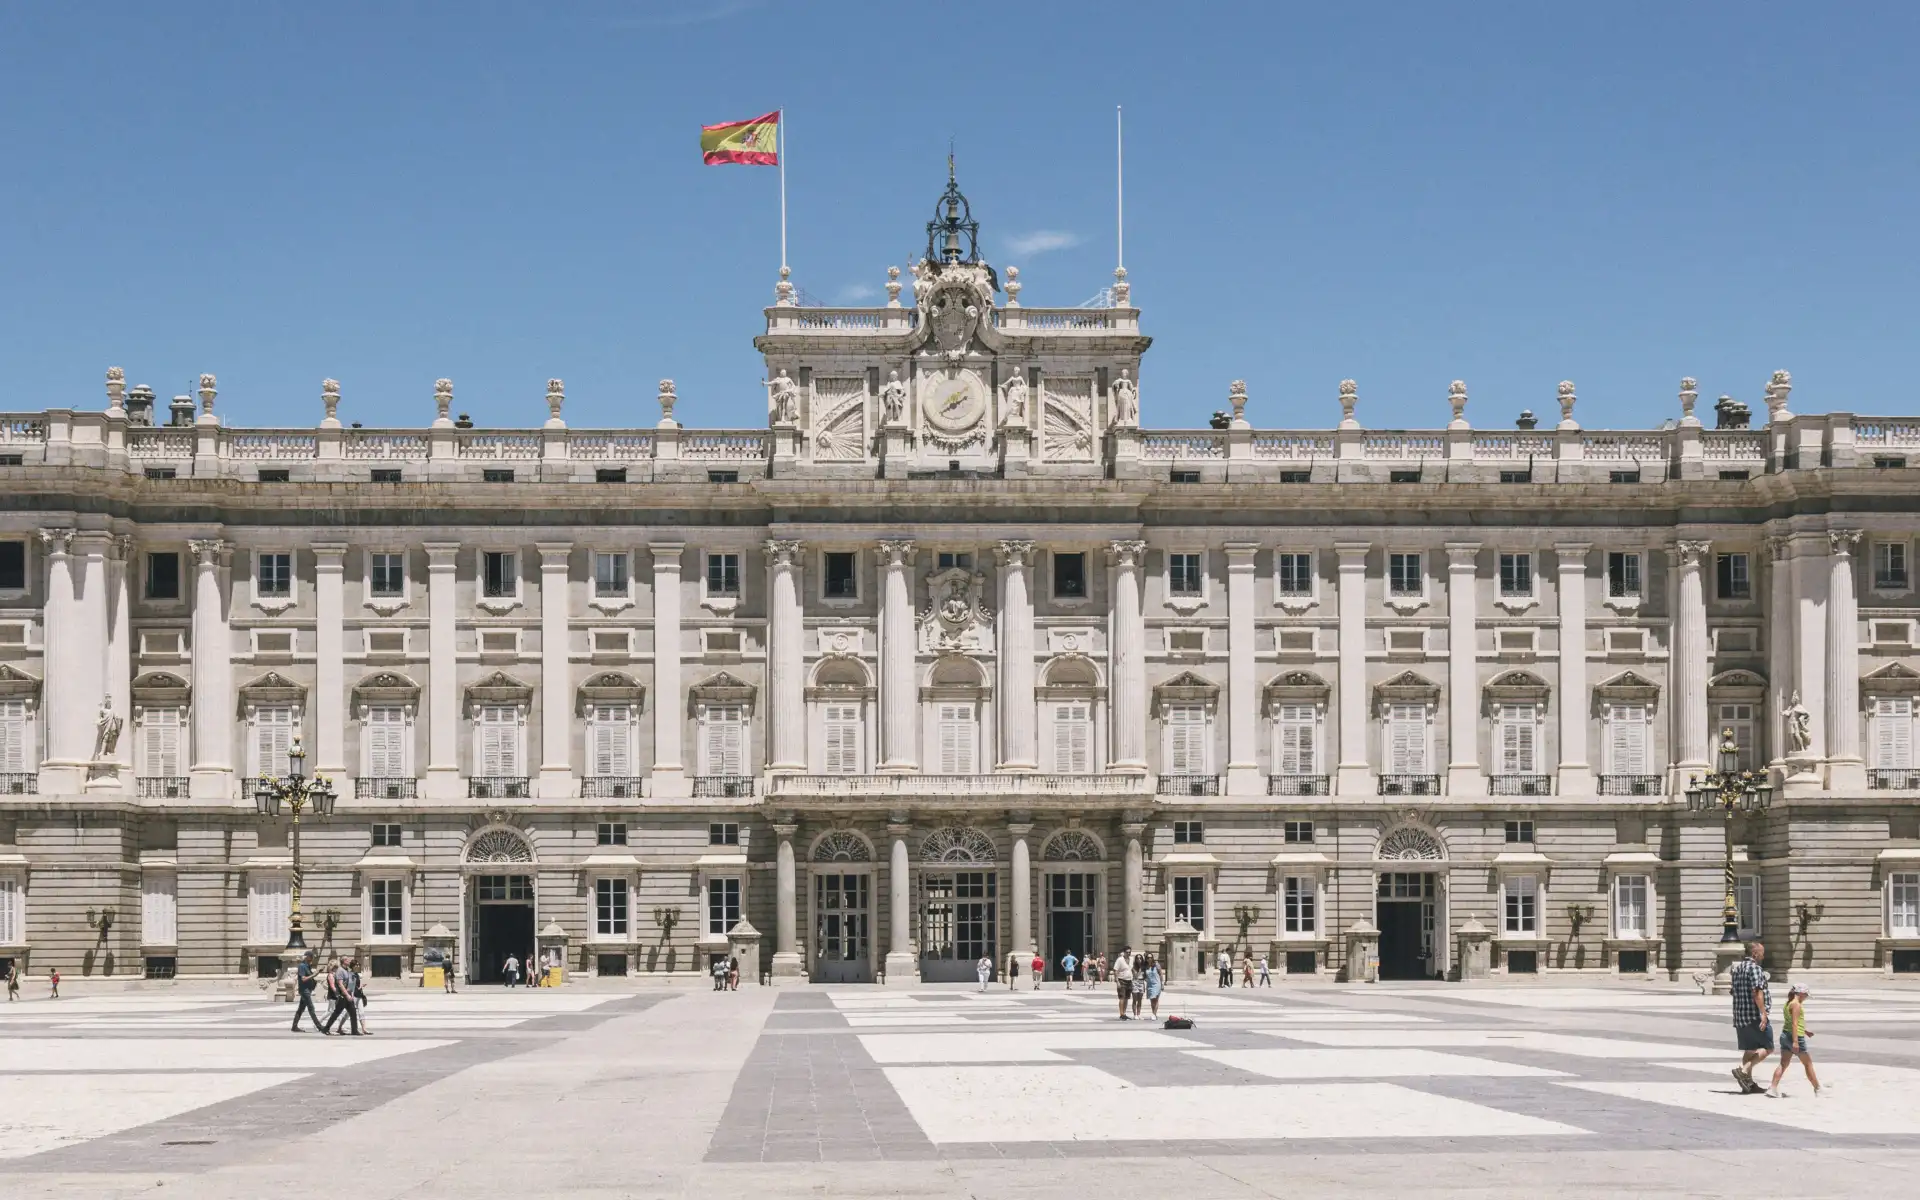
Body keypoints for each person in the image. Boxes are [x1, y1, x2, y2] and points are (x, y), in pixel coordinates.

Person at [1729, 940, 1772, 1094]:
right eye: (1762, 952)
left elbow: (1733, 991)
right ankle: (1744, 1070)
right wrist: (1763, 1013)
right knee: (1768, 1048)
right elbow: (1757, 992)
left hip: (1740, 1015)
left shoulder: (1737, 969)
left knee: (1750, 1049)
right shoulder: (1755, 968)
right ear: (1754, 953)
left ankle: (1748, 1084)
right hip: (1754, 1015)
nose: (1763, 955)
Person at [1768, 984, 1822, 1099]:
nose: (1806, 998)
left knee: (1783, 1064)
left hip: (1785, 1035)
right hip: (1794, 1037)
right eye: (1806, 995)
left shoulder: (1788, 1003)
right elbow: (1794, 1023)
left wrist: (1805, 1031)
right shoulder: (1796, 1005)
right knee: (1808, 1064)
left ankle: (1772, 1088)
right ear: (1801, 993)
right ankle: (1818, 1088)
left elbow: (1791, 1021)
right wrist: (1796, 1041)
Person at [322, 958, 362, 1035]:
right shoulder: (340, 971)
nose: (349, 961)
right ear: (343, 961)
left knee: (353, 1012)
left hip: (348, 995)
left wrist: (351, 994)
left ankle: (354, 1030)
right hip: (343, 996)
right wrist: (347, 995)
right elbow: (340, 984)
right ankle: (326, 1028)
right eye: (347, 960)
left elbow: (350, 983)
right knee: (336, 1013)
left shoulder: (347, 970)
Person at [291, 951, 324, 1033]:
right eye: (311, 957)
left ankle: (294, 1027)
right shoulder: (302, 966)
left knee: (301, 1009)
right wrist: (315, 974)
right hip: (304, 990)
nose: (313, 958)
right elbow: (303, 979)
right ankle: (319, 1026)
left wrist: (317, 972)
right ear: (307, 957)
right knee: (311, 1008)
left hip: (307, 990)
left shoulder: (308, 966)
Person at [1113, 947, 1135, 1019]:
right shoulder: (1120, 960)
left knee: (1127, 998)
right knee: (1122, 997)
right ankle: (1121, 1014)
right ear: (1124, 952)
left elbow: (1132, 969)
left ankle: (1124, 1013)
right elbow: (1115, 970)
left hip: (1129, 980)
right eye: (1127, 952)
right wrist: (1117, 981)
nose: (1128, 953)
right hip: (1121, 980)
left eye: (1129, 952)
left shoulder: (1131, 959)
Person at [1144, 955, 1164, 1019]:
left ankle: (1154, 1014)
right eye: (1148, 957)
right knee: (1152, 1000)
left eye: (1150, 957)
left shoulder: (1156, 965)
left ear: (1152, 958)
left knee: (1155, 999)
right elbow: (1144, 975)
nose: (1149, 959)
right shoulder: (1146, 966)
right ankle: (1154, 1014)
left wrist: (1162, 984)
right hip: (1149, 985)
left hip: (1157, 984)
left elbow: (1160, 974)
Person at [1130, 952, 1148, 1019]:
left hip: (1141, 982)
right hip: (1135, 982)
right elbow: (1136, 976)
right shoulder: (1134, 967)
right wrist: (1140, 969)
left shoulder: (1144, 968)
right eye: (1138, 958)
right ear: (1136, 959)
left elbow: (1145, 977)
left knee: (1140, 999)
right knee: (1135, 999)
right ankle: (1135, 1014)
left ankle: (1139, 1013)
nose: (1139, 959)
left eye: (1140, 958)